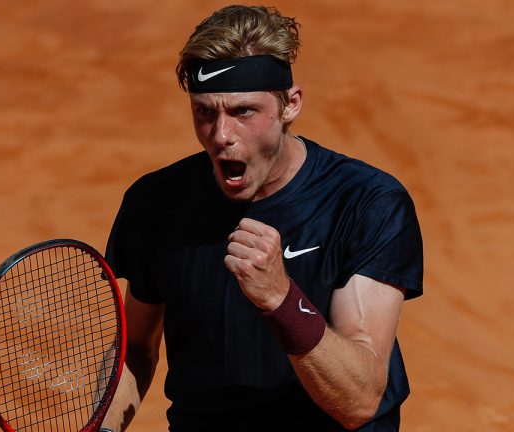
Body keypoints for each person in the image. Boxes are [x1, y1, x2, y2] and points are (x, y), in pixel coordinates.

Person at [101, 5, 423, 431]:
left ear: (290, 105)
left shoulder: (364, 203)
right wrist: (102, 427)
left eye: (243, 112)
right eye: (204, 112)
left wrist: (280, 298)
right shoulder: (156, 203)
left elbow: (360, 399)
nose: (221, 135)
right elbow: (136, 348)